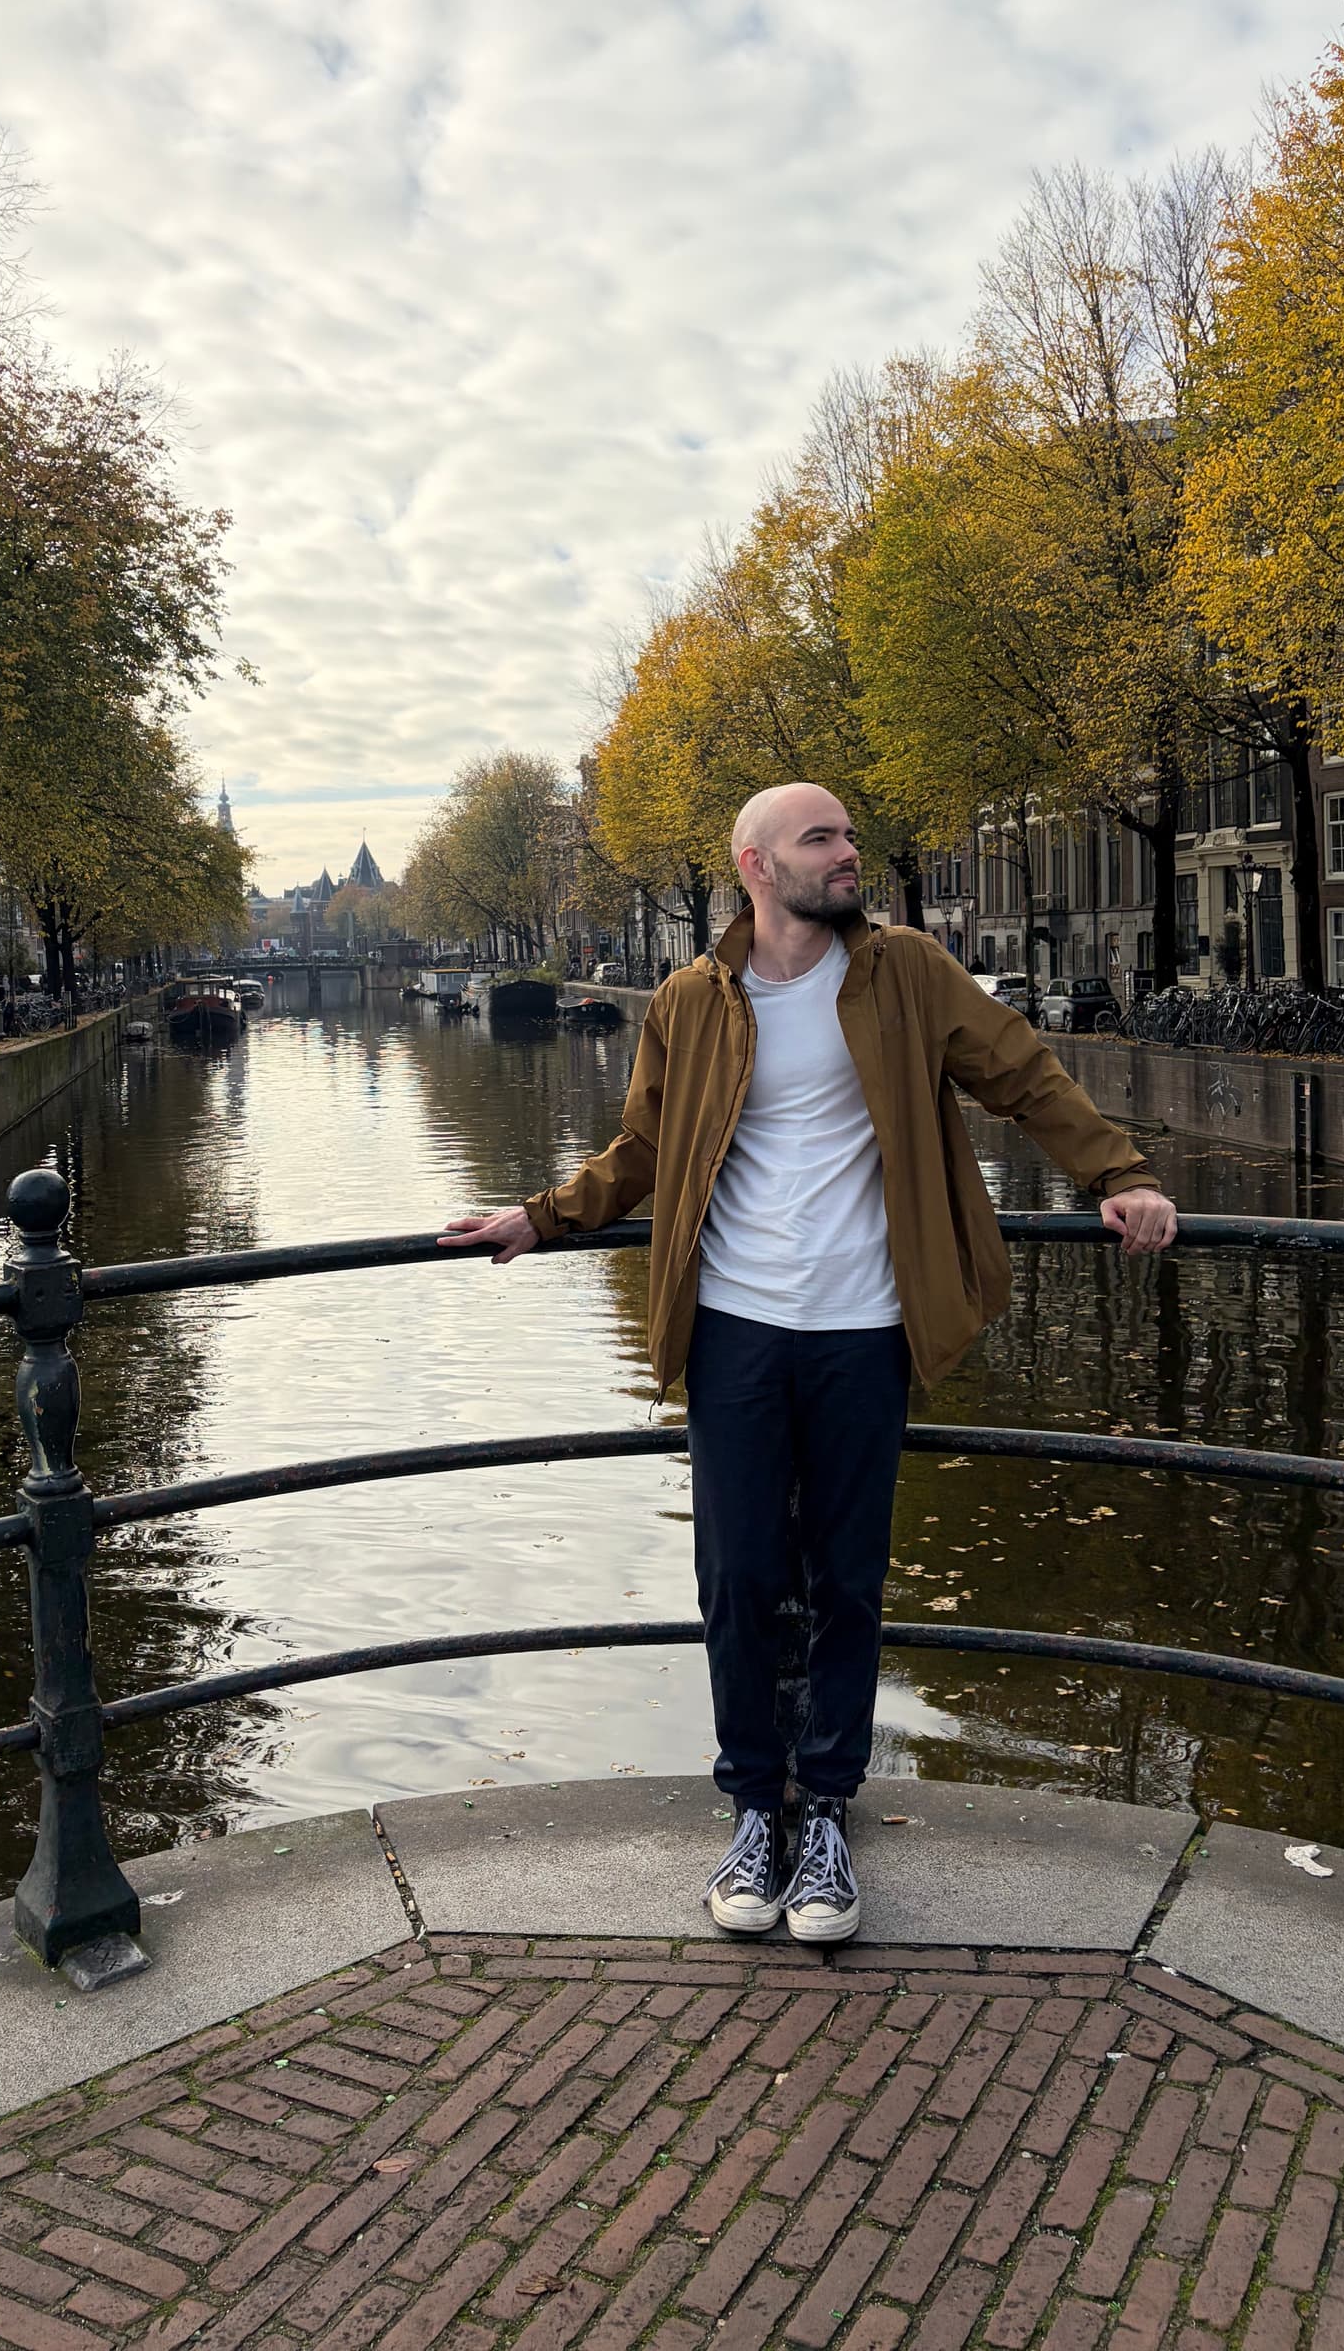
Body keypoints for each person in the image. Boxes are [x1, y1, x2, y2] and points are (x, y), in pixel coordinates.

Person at [441, 782, 1178, 1946]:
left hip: (865, 1323)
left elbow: (1025, 1074)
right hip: (733, 1326)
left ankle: (826, 1809)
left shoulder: (909, 974)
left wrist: (1117, 1173)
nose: (848, 857)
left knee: (846, 1577)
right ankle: (752, 1810)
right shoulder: (693, 1000)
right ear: (755, 865)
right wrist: (546, 1214)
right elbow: (643, 1144)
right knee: (736, 1581)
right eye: (819, 840)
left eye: (845, 836)